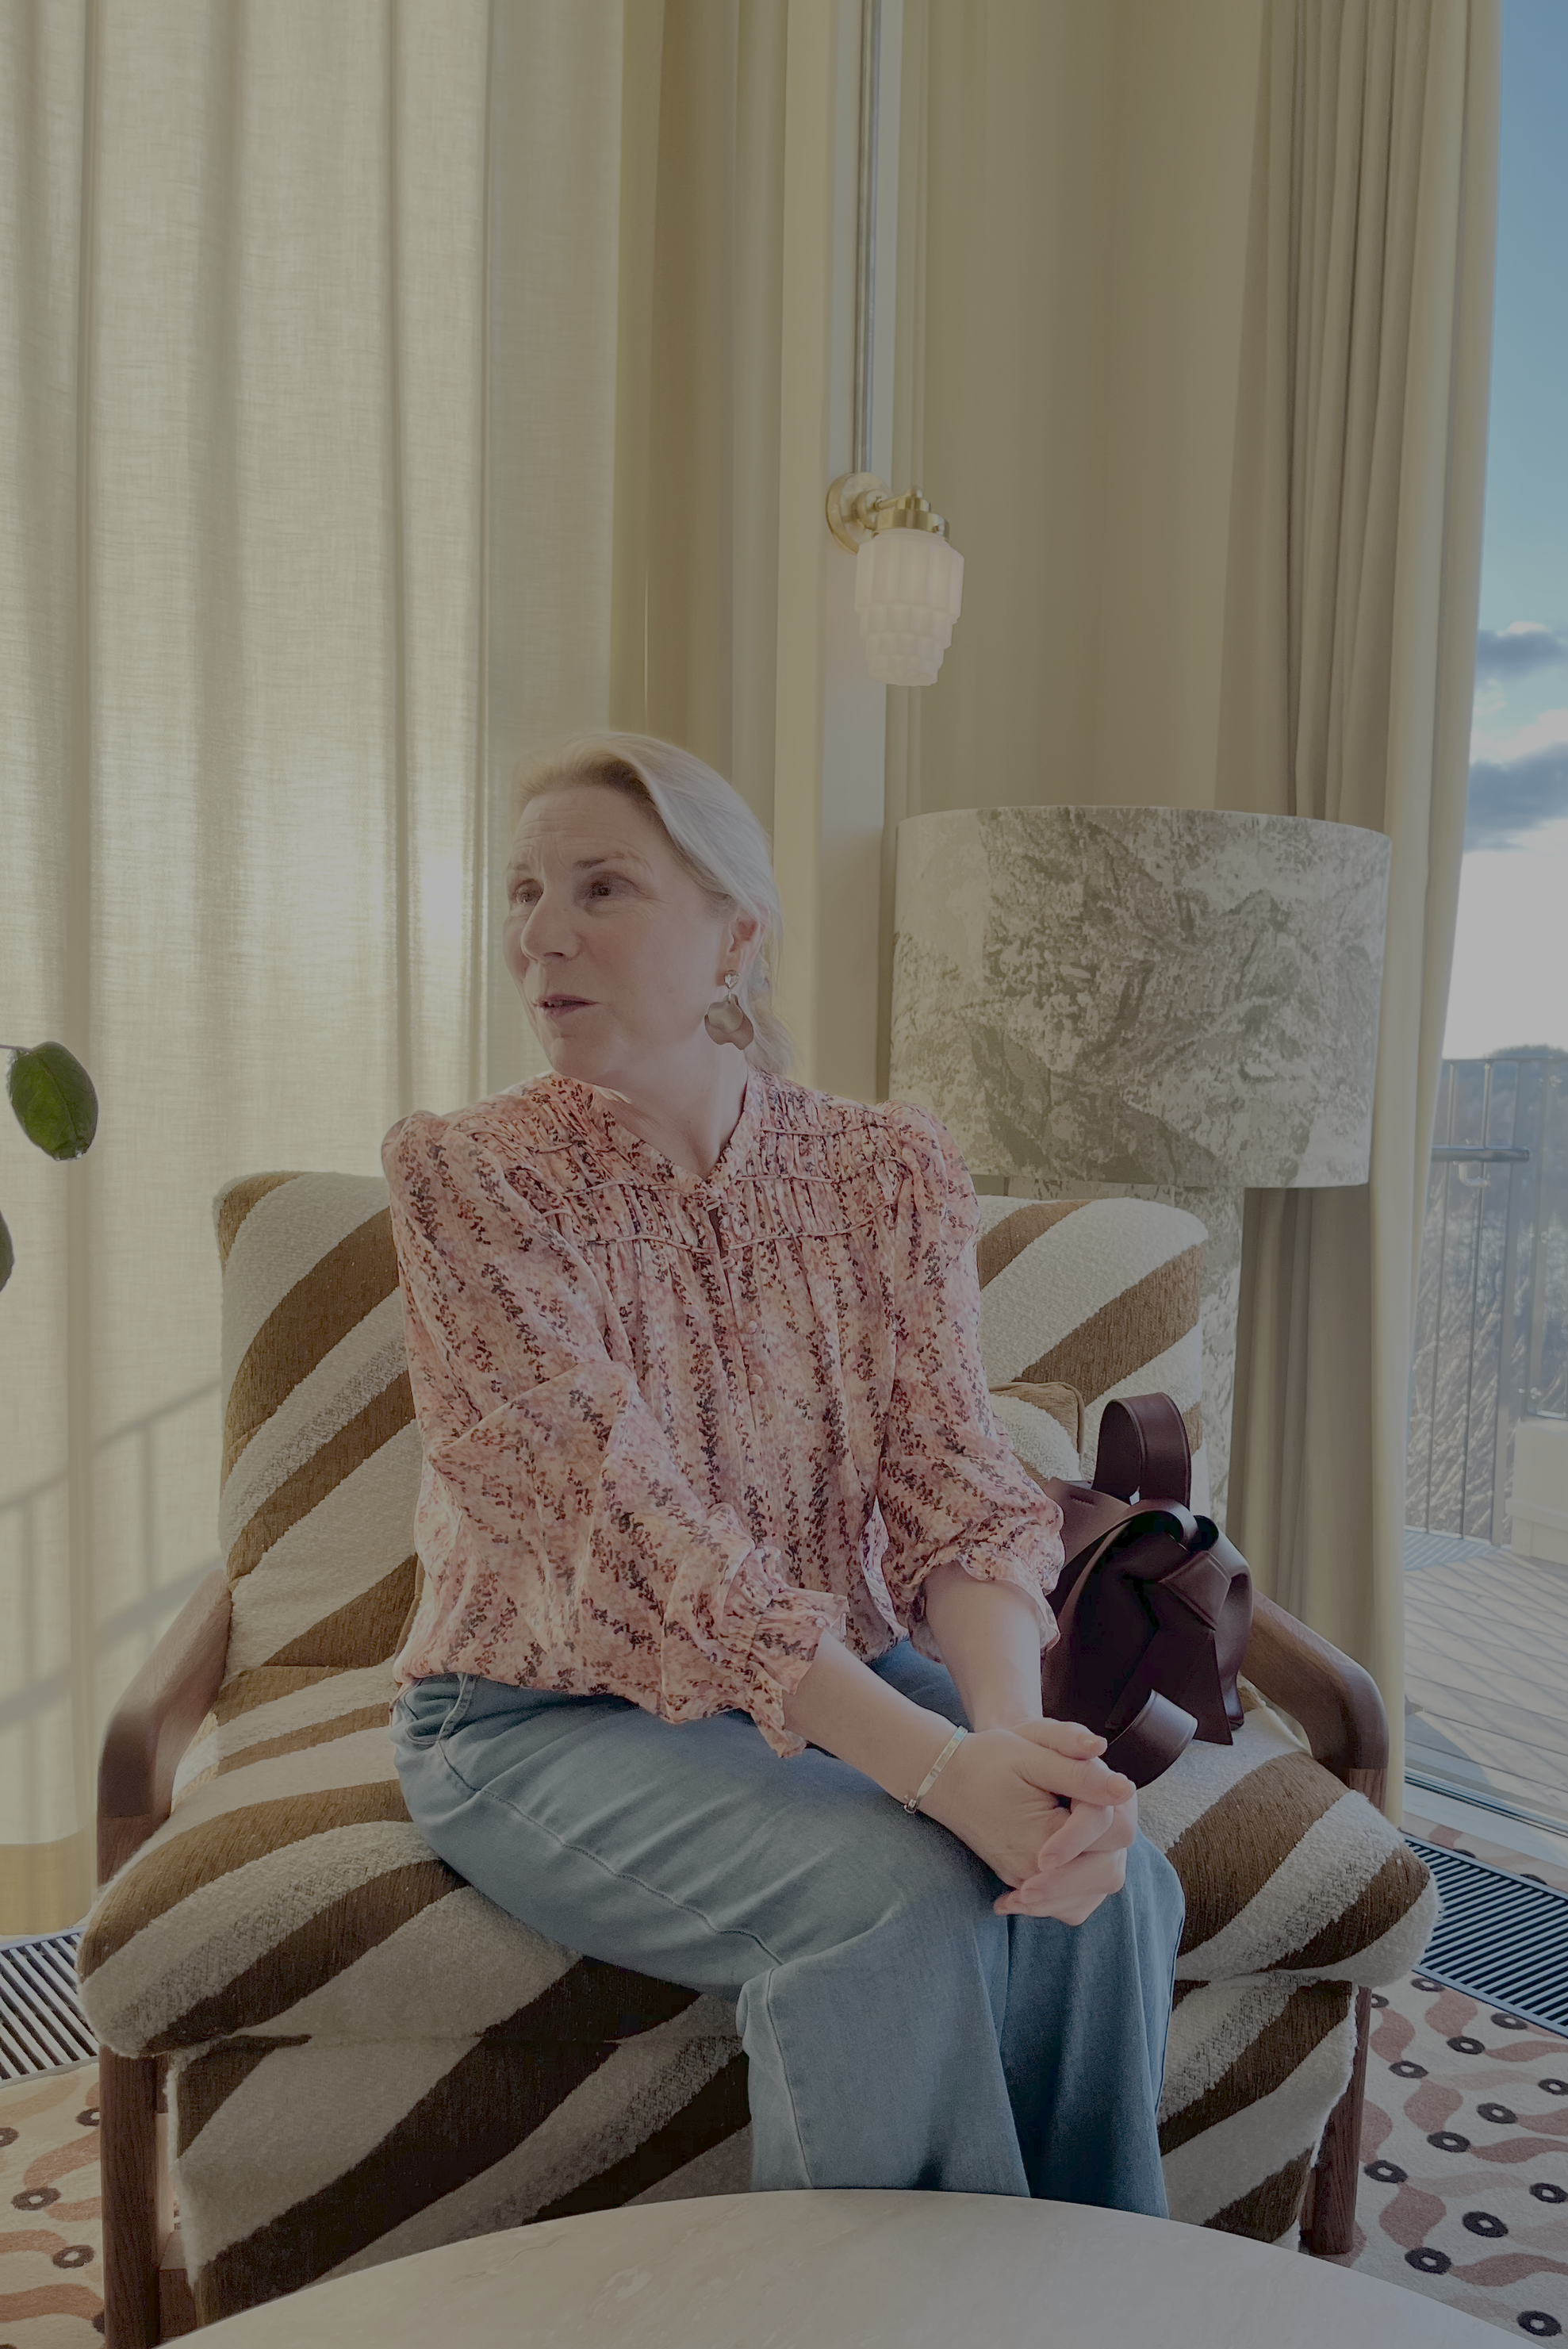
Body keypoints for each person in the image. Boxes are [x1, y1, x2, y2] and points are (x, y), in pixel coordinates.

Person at [385, 731, 1186, 2213]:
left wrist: (1012, 1741)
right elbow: (633, 1533)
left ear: (734, 938)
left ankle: (1092, 2331)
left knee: (1109, 1872)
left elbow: (954, 1470)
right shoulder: (467, 1176)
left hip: (842, 1679)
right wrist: (938, 1774)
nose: (541, 935)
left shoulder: (889, 1167)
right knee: (896, 1909)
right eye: (523, 893)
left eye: (602, 889)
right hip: (542, 1718)